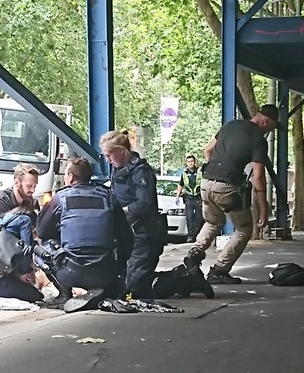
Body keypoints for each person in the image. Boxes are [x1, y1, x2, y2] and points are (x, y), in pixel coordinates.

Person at [184, 104, 279, 285]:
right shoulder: (258, 138)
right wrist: (264, 210)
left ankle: (193, 256)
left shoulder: (230, 125)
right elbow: (259, 177)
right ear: (266, 121)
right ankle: (220, 270)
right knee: (244, 229)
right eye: (272, 127)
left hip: (206, 182)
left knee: (213, 222)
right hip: (226, 187)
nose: (270, 131)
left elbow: (208, 150)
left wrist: (215, 168)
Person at [36, 157, 134, 306]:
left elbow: (42, 230)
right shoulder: (108, 196)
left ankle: (64, 293)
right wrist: (119, 266)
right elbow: (126, 236)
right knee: (122, 238)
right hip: (105, 272)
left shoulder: (60, 198)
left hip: (70, 273)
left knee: (41, 245)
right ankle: (109, 287)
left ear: (71, 177)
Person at [100, 129, 163, 298]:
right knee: (118, 284)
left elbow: (145, 204)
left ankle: (183, 279)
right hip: (126, 233)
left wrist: (121, 212)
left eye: (109, 155)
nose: (108, 160)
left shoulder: (140, 171)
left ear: (121, 151)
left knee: (134, 288)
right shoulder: (118, 168)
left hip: (144, 234)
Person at [176, 155, 203, 242]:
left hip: (199, 197)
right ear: (186, 163)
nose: (190, 163)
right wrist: (177, 196)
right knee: (190, 218)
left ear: (195, 162)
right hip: (189, 198)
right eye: (188, 162)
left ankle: (198, 235)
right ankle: (191, 237)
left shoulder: (200, 171)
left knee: (199, 218)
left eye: (192, 161)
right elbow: (181, 184)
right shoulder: (184, 173)